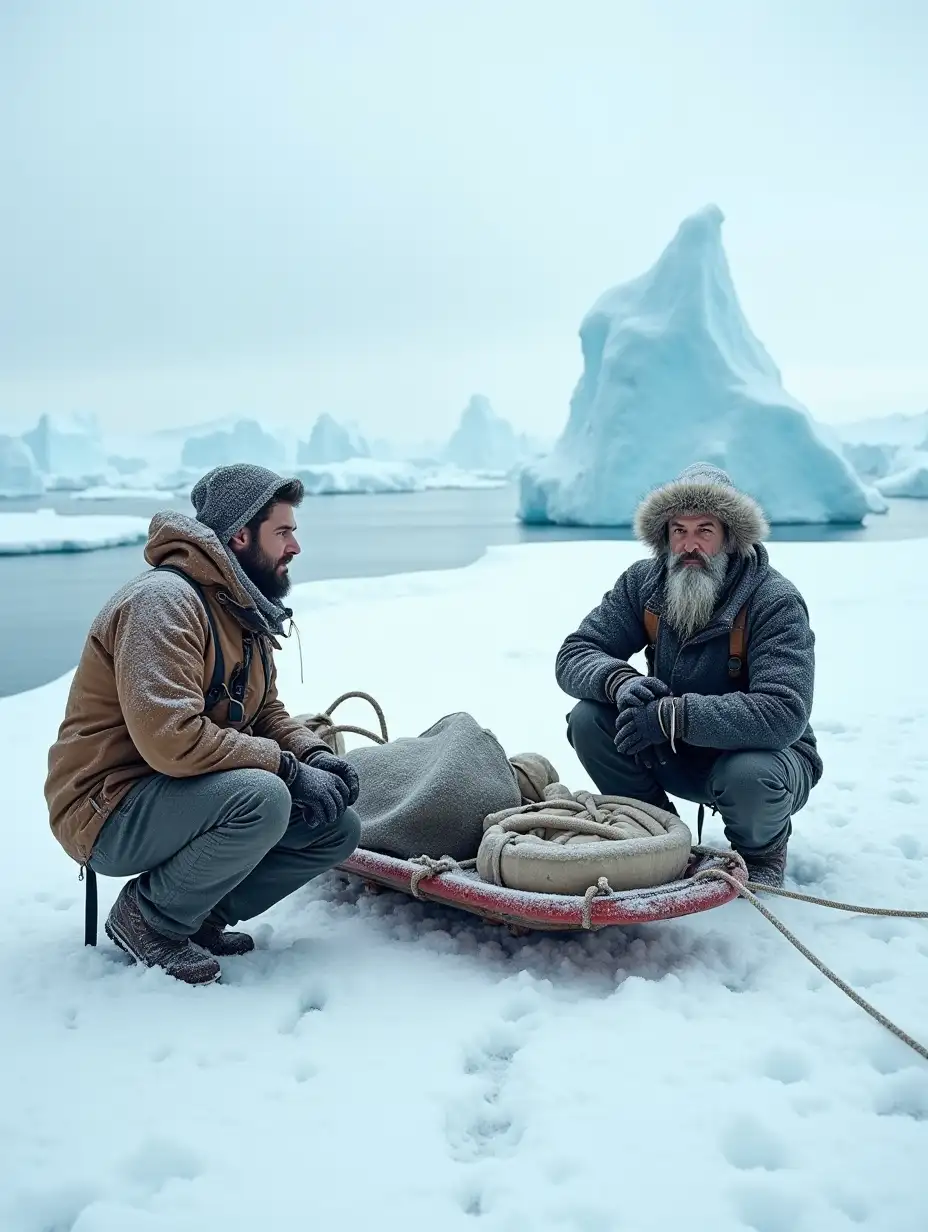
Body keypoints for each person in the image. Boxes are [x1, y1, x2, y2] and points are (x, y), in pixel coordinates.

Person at [46, 464, 361, 985]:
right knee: (266, 796)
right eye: (283, 531)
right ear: (240, 535)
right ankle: (149, 920)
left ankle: (195, 916)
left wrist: (313, 756)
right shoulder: (162, 603)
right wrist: (285, 768)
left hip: (178, 793)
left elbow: (265, 714)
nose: (295, 547)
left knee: (335, 828)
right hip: (107, 806)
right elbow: (171, 738)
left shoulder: (242, 609)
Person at [555, 463, 823, 887]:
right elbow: (575, 653)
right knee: (589, 719)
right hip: (666, 746)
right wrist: (620, 682)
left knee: (750, 775)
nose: (689, 545)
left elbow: (784, 712)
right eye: (679, 530)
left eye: (704, 530)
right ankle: (655, 832)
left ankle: (761, 855)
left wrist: (675, 717)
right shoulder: (643, 584)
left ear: (730, 538)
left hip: (762, 756)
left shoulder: (775, 600)